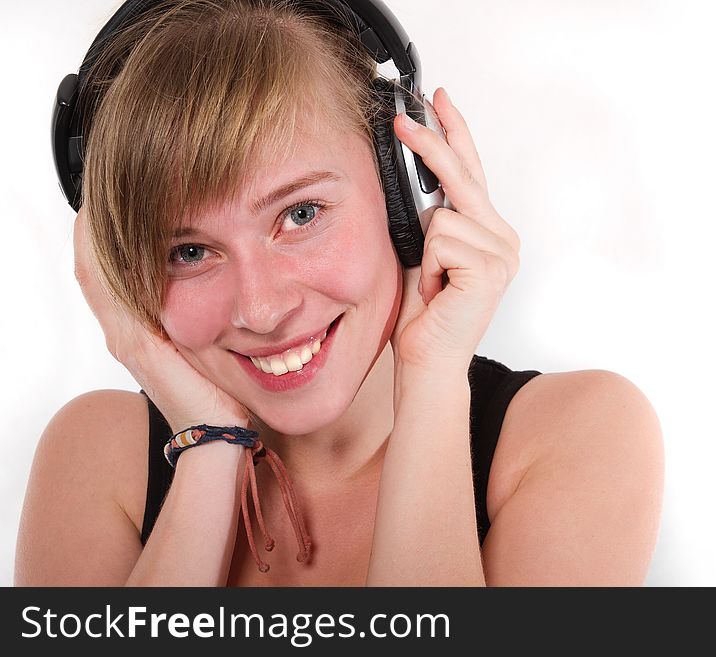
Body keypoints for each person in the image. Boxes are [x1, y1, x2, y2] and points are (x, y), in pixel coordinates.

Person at [15, 0, 664, 586]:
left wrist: (431, 380)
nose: (262, 309)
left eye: (300, 214)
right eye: (190, 251)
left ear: (410, 186)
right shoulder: (98, 457)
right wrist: (210, 449)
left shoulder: (576, 434)